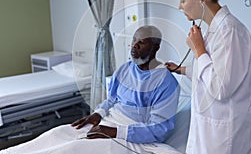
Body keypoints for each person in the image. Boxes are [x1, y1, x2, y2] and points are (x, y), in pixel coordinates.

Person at [0, 25, 181, 154]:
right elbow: (111, 100)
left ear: (156, 47)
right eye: (133, 40)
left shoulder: (166, 83)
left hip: (129, 133)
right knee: (57, 134)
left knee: (73, 148)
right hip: (107, 122)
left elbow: (159, 130)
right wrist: (98, 113)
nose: (134, 46)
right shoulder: (125, 69)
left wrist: (114, 132)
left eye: (141, 43)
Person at [165, 0, 251, 154]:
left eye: (182, 0)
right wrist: (181, 70)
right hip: (210, 132)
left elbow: (220, 87)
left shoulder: (229, 31)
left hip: (225, 136)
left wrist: (198, 49)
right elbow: (213, 71)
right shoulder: (214, 30)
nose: (179, 6)